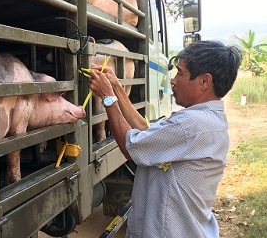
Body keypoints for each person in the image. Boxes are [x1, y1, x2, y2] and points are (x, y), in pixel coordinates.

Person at [88, 40, 242, 238]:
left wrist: (107, 97)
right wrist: (117, 87)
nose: (173, 80)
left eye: (180, 73)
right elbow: (145, 131)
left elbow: (132, 146)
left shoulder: (191, 124)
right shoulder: (206, 119)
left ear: (205, 81)